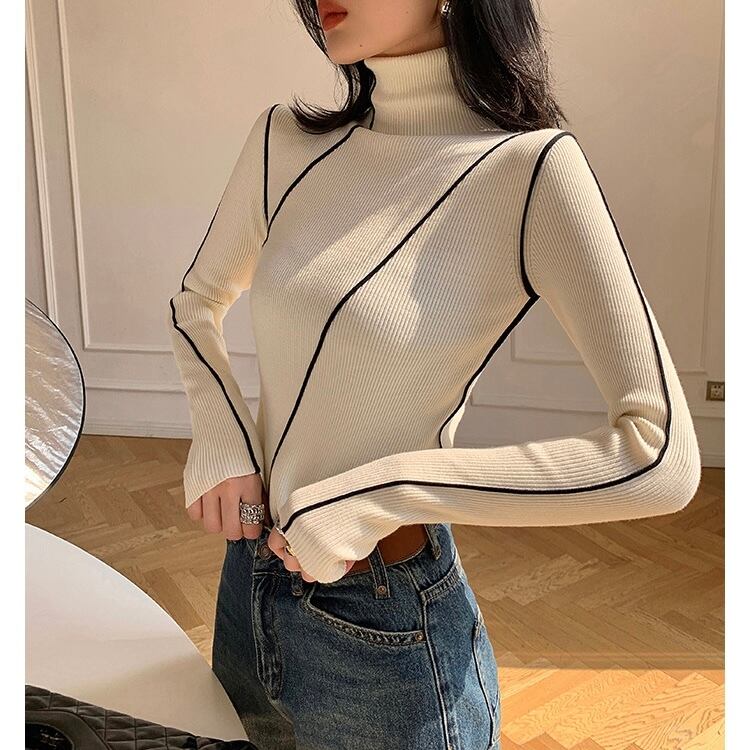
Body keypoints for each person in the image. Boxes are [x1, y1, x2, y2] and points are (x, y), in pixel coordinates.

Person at [167, 1, 702, 748]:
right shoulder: (281, 142)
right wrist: (223, 438)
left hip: (384, 632)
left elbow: (661, 458)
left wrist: (380, 493)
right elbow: (195, 303)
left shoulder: (531, 171)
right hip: (247, 582)